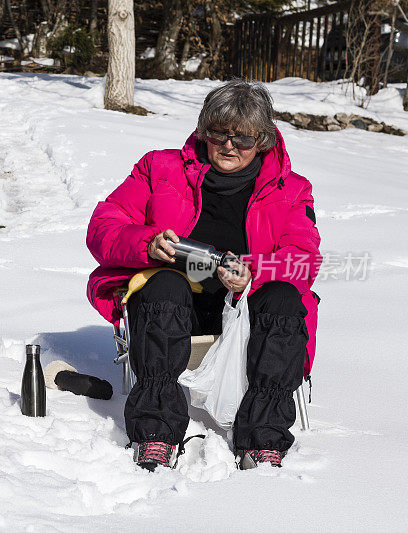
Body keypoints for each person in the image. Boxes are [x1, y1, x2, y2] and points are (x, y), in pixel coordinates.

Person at [86, 80, 321, 471]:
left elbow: (304, 261)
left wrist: (251, 277)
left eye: (243, 138)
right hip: (174, 304)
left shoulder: (291, 190)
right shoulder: (159, 168)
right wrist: (147, 244)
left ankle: (263, 439)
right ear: (202, 130)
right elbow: (104, 226)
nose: (229, 145)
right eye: (218, 133)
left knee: (282, 297)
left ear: (262, 139)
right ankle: (157, 432)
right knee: (164, 282)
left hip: (246, 310)